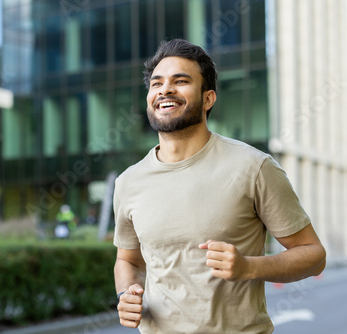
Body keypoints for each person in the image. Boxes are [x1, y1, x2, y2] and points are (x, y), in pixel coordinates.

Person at [113, 39, 326, 333]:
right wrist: (127, 294)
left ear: (208, 98)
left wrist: (249, 267)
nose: (165, 90)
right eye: (157, 83)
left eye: (181, 81)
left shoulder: (254, 167)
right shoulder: (128, 182)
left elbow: (313, 256)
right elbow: (128, 260)